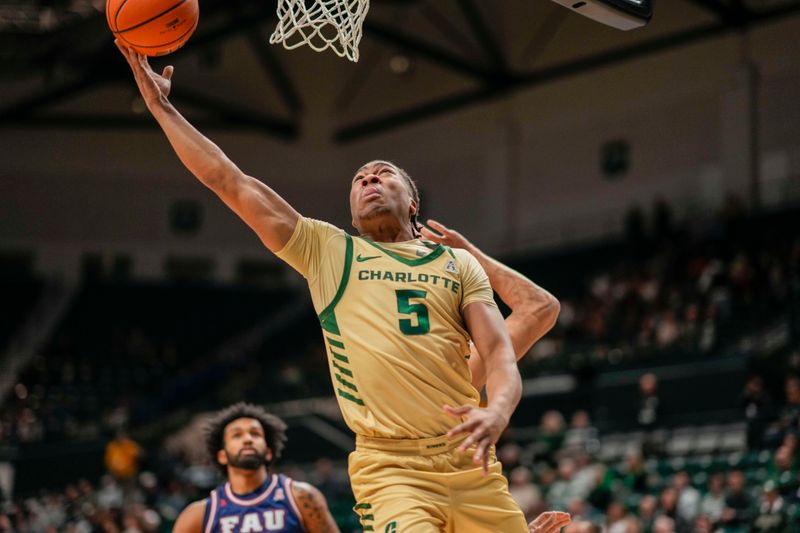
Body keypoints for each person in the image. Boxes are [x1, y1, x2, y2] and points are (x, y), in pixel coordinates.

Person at [116, 43, 552, 532]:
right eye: (360, 178)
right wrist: (162, 107)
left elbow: (500, 356)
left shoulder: (456, 264)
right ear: (350, 212)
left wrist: (498, 410)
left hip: (472, 463)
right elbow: (228, 180)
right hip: (393, 469)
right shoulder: (330, 251)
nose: (369, 179)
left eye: (383, 175)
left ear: (413, 204)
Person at [173, 402, 339, 533]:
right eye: (237, 435)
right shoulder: (199, 515)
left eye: (255, 433)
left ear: (268, 452)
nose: (248, 439)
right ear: (221, 456)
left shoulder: (302, 497)